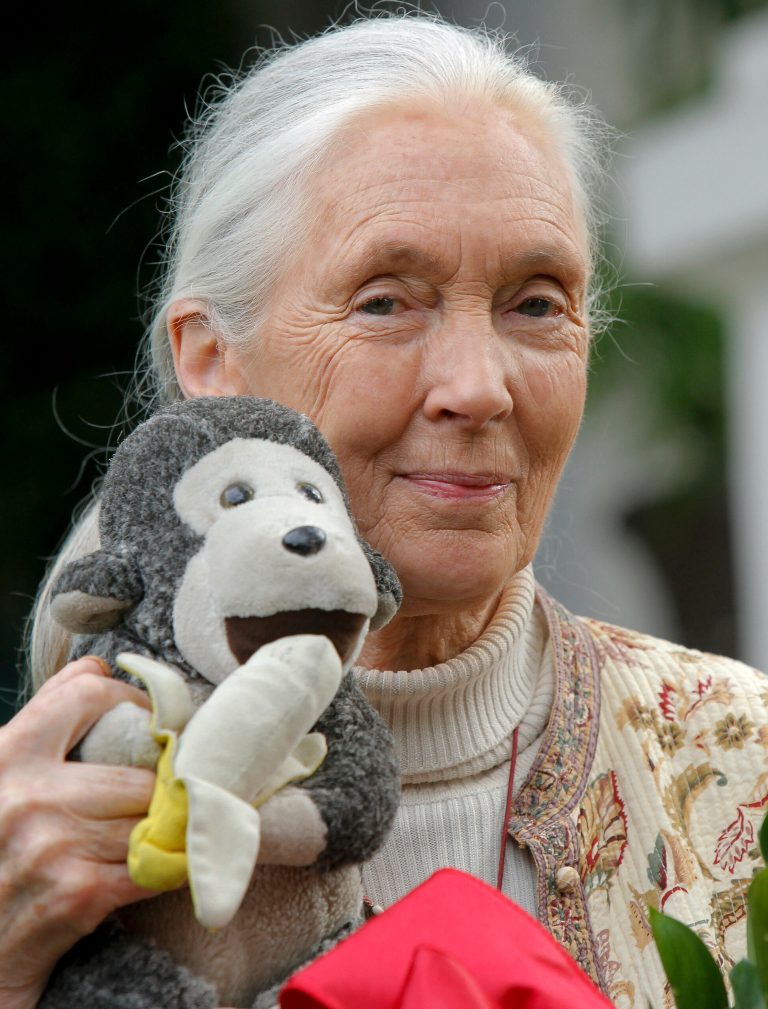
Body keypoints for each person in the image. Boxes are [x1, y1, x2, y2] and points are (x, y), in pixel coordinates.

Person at [1, 14, 765, 1009]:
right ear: (208, 358)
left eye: (536, 303)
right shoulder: (49, 819)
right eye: (386, 302)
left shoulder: (741, 767)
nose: (478, 386)